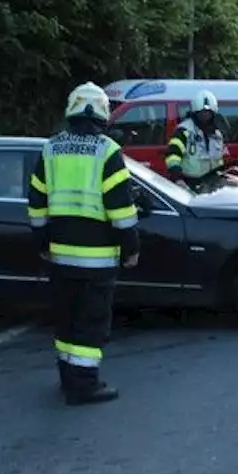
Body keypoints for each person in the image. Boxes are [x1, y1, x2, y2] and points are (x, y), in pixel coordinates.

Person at [28, 81, 140, 405]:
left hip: (60, 256)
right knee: (90, 326)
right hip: (97, 260)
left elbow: (36, 203)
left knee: (66, 320)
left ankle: (67, 379)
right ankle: (85, 386)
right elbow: (121, 209)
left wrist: (41, 242)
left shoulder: (50, 148)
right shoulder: (107, 151)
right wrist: (131, 248)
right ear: (103, 114)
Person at [164, 90, 227, 190]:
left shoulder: (217, 133)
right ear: (195, 112)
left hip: (214, 184)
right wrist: (178, 179)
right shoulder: (184, 131)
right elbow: (172, 156)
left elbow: (221, 158)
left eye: (208, 113)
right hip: (189, 185)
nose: (205, 116)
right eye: (202, 113)